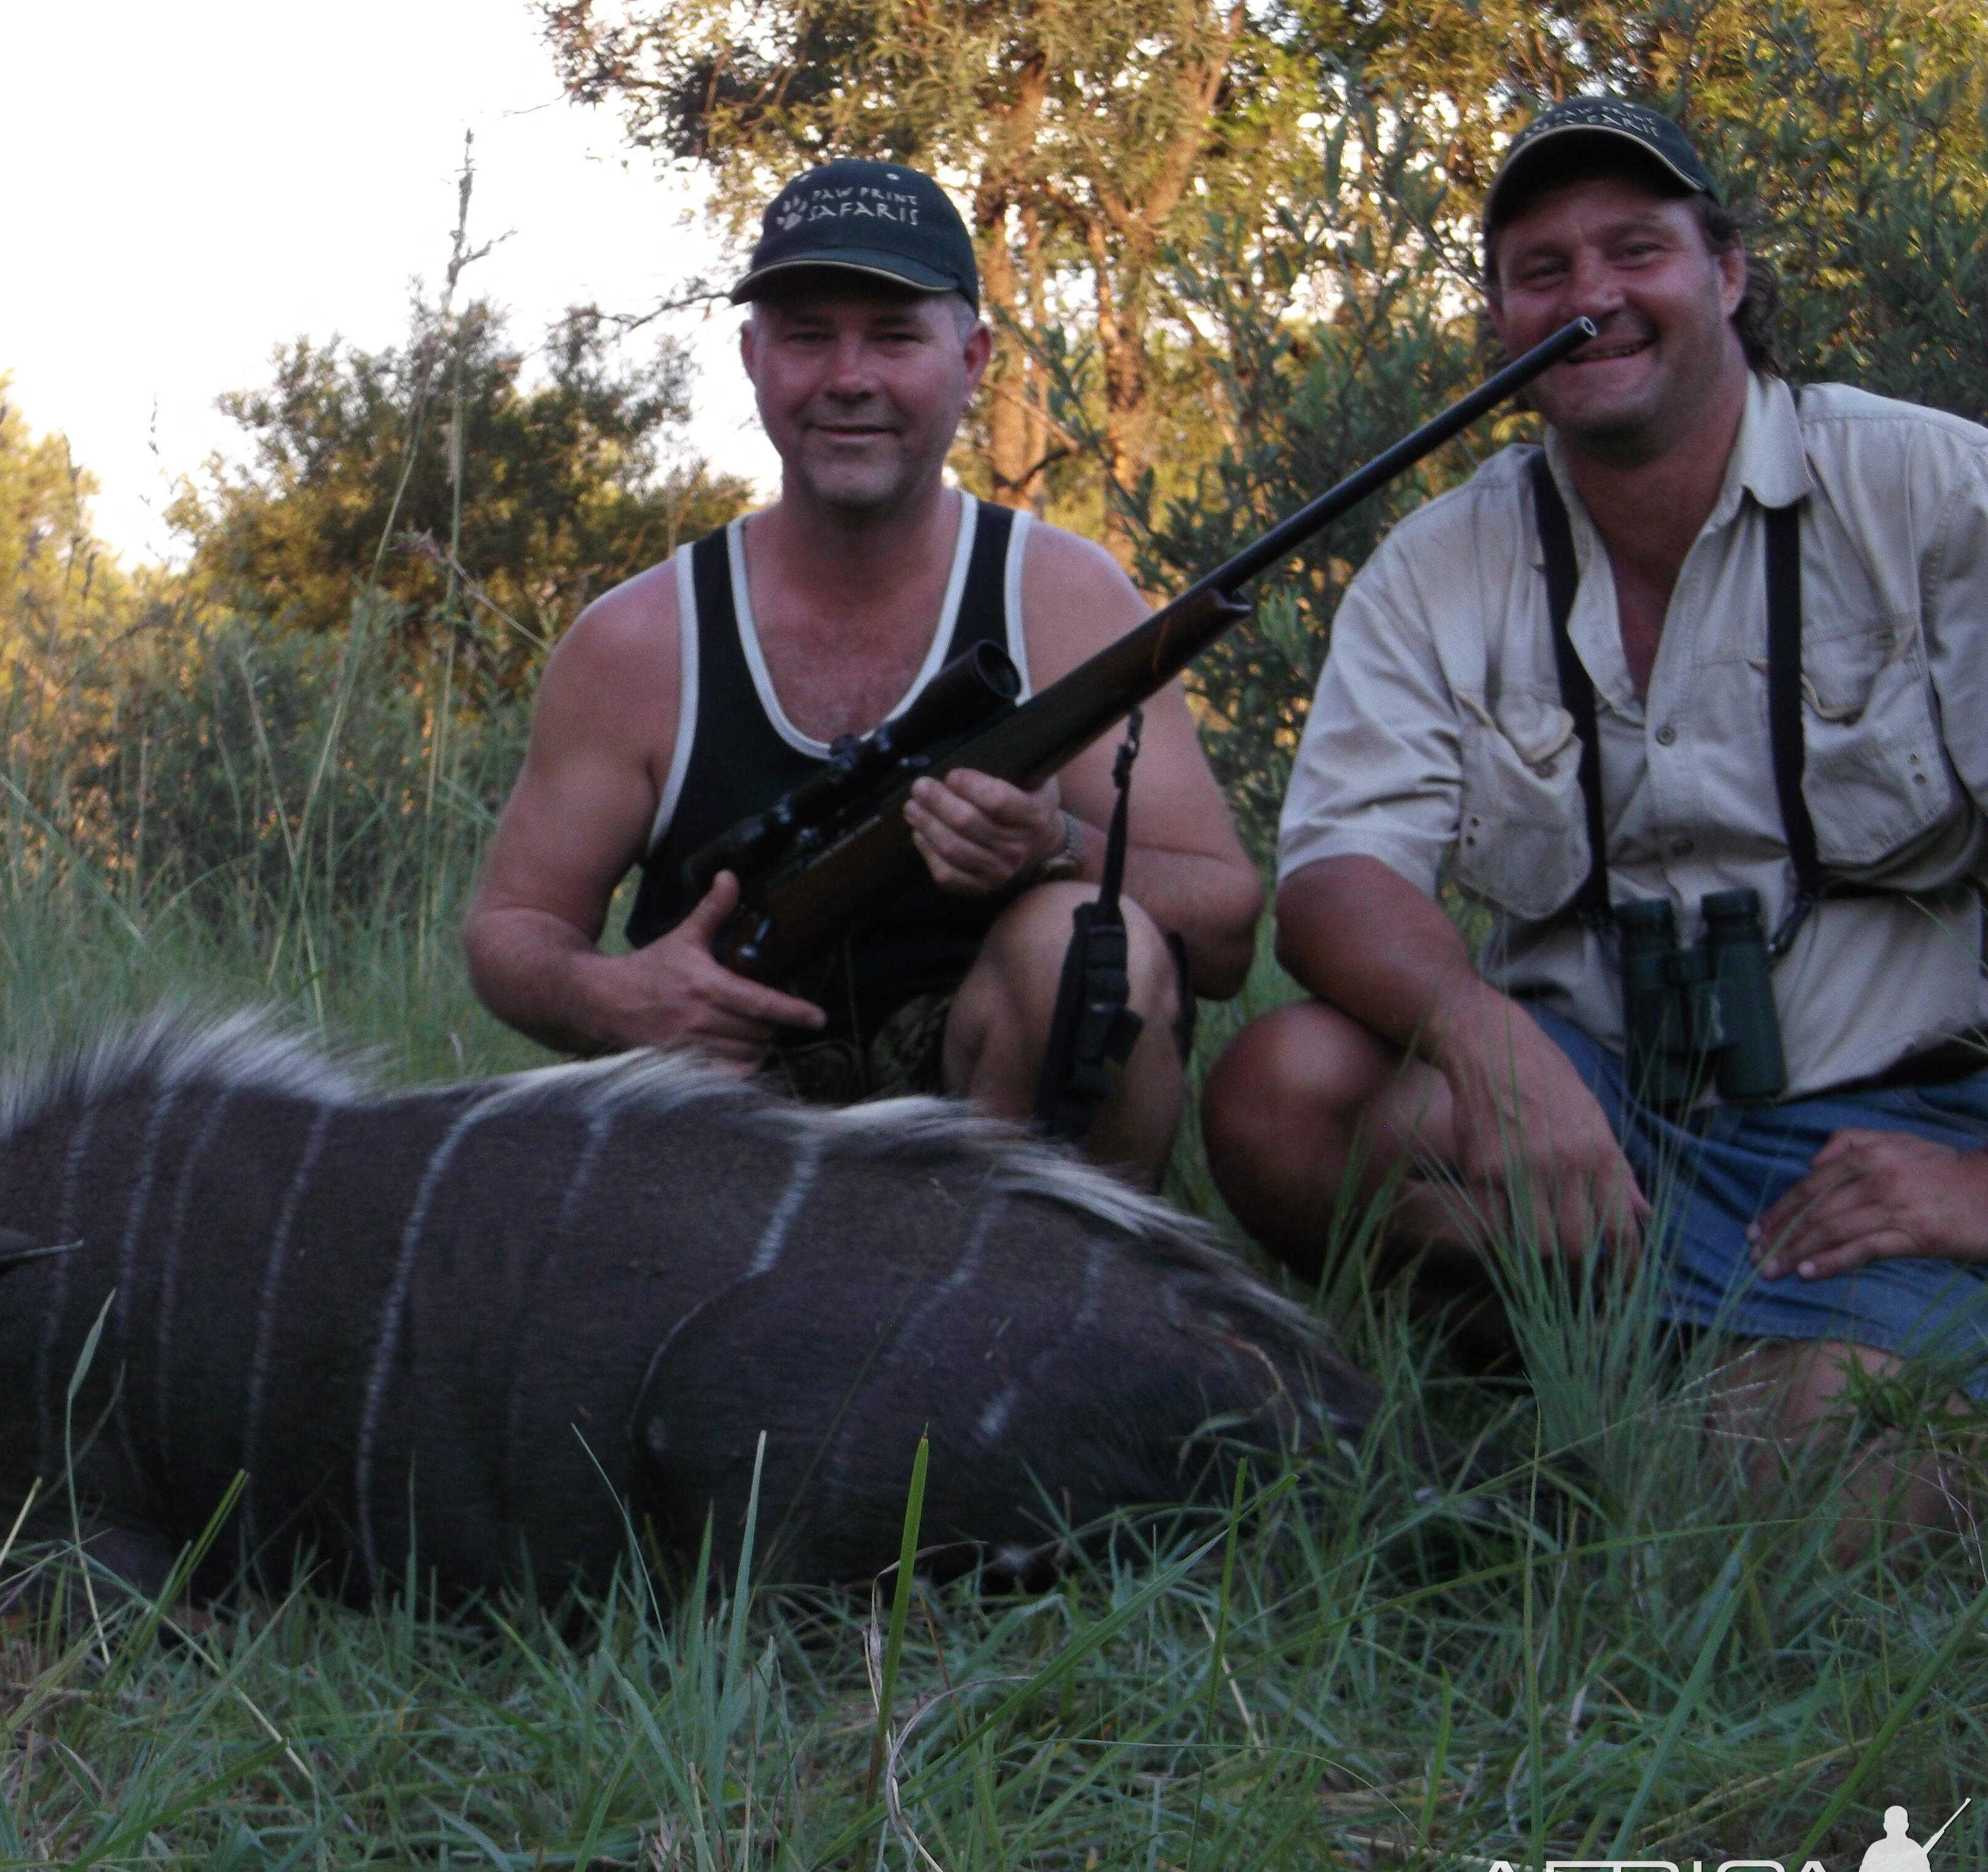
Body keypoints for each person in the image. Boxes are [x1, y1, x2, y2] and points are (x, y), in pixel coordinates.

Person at [1201, 100, 1988, 1520]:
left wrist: (1969, 1186)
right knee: (1281, 1092)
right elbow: (1331, 878)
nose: (1591, 299)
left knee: (1849, 1476)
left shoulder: (1935, 491)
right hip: (1590, 1113)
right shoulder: (1438, 562)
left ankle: (1681, 1394)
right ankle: (1583, 1355)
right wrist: (1485, 1042)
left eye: (1634, 250)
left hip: (1893, 1124)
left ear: (1727, 276)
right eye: (1541, 270)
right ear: (1502, 318)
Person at [463, 161, 1261, 1181]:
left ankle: (1040, 1313)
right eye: (807, 335)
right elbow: (513, 931)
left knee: (1087, 938)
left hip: (988, 1148)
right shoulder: (636, 641)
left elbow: (1228, 934)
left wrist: (1053, 847)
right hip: (722, 1146)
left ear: (971, 359)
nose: (848, 377)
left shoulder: (1068, 601)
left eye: (894, 335)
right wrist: (616, 1000)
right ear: (753, 359)